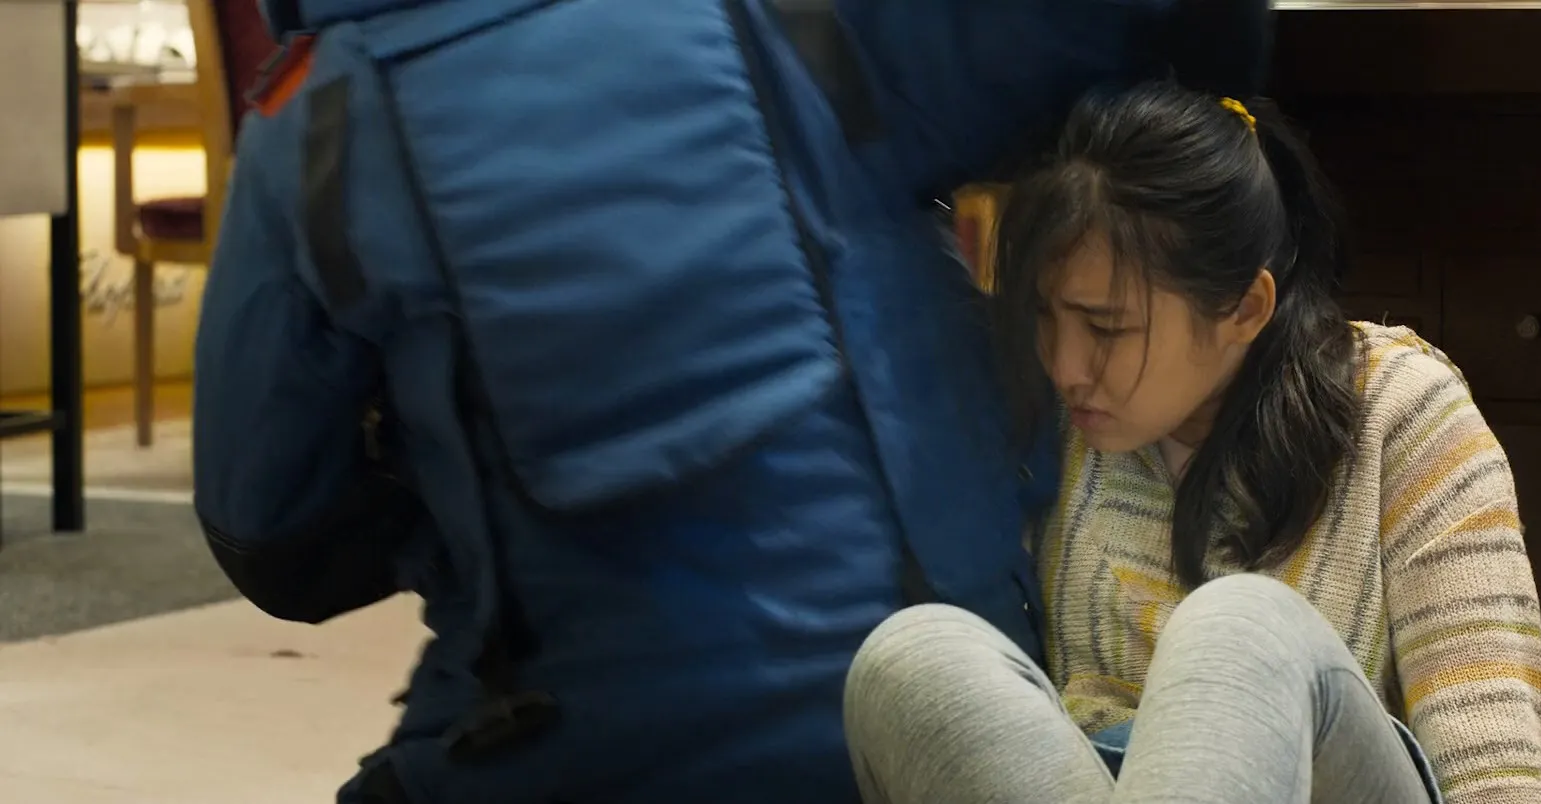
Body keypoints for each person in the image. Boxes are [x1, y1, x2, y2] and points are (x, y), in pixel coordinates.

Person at [191, 1, 1281, 802]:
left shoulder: (313, 121)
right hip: (938, 722)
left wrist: (459, 477)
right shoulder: (797, 24)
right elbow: (1168, 24)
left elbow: (275, 544)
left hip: (563, 751)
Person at [844, 82, 1541, 804]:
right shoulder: (1052, 425)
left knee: (1238, 629)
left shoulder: (1401, 410)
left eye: (1106, 327)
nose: (1064, 365)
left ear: (1245, 308)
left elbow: (1494, 761)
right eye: (1045, 316)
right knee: (914, 656)